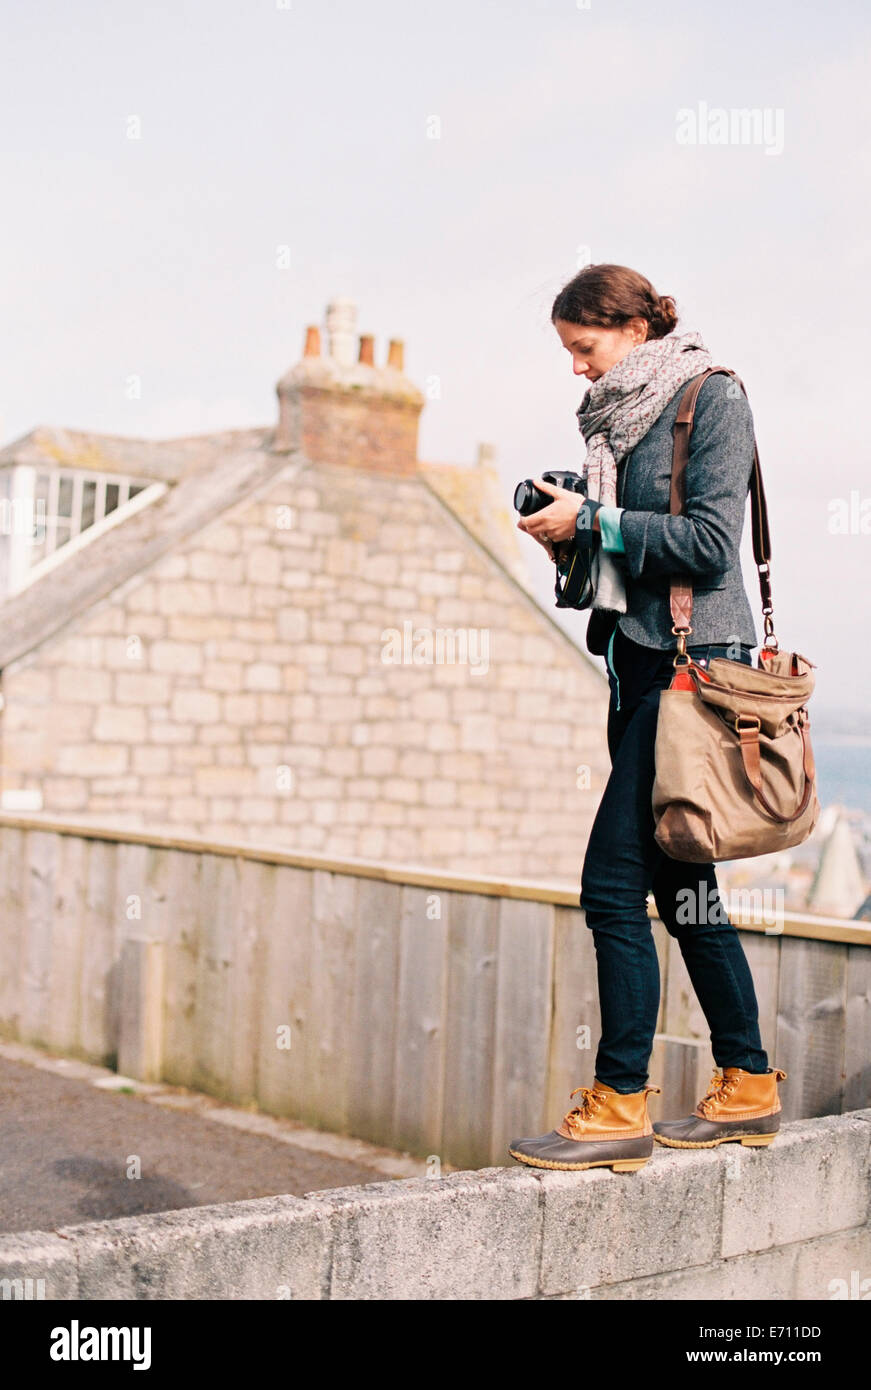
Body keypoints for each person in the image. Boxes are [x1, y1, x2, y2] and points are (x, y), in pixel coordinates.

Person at [508, 263, 787, 1174]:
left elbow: (709, 545)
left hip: (693, 676)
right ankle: (747, 1084)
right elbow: (627, 557)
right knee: (682, 891)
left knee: (609, 888)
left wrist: (599, 516)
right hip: (638, 671)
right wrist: (575, 532)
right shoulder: (615, 419)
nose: (577, 372)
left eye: (583, 349)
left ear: (631, 328)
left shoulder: (711, 397)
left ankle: (621, 1102)